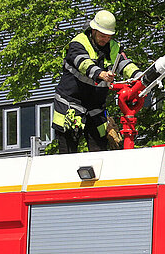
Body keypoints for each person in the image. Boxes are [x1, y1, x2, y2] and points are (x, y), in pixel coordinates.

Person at [52, 10, 143, 153]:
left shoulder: (113, 47)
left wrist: (140, 77)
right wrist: (101, 74)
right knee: (68, 153)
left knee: (99, 151)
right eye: (102, 36)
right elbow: (83, 63)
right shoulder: (78, 43)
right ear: (93, 30)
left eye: (109, 36)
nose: (105, 39)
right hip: (70, 104)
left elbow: (124, 64)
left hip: (96, 107)